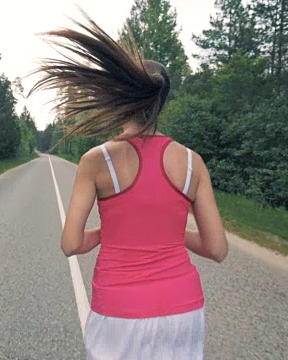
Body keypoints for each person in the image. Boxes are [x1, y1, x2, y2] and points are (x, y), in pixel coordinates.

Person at [29, 12, 229, 360]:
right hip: (183, 309)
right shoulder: (193, 163)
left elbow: (71, 244)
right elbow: (217, 248)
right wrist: (170, 233)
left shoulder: (97, 161)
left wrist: (108, 231)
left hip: (119, 311)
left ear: (121, 98)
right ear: (161, 102)